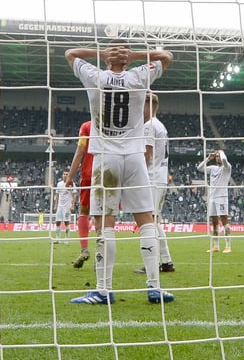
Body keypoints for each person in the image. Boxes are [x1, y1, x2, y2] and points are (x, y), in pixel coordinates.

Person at [64, 43, 175, 305]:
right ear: (125, 61)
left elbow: (70, 54)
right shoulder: (139, 76)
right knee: (147, 221)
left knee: (105, 222)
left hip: (106, 157)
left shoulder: (96, 76)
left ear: (108, 60)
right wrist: (135, 56)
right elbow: (167, 57)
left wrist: (101, 54)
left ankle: (103, 290)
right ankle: (154, 287)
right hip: (136, 156)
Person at [133, 92, 175, 274]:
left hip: (152, 178)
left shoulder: (149, 126)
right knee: (155, 220)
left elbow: (147, 154)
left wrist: (137, 176)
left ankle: (156, 261)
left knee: (149, 221)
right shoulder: (161, 126)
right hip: (161, 177)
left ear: (149, 105)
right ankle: (166, 262)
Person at [66, 120, 93, 268]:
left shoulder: (86, 126)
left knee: (84, 211)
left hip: (89, 174)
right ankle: (102, 256)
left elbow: (80, 151)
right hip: (108, 173)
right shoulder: (113, 125)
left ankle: (84, 249)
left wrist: (70, 177)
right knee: (104, 216)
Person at [197, 150, 232, 253]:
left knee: (224, 220)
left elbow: (225, 159)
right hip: (212, 197)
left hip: (222, 197)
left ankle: (228, 246)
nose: (218, 158)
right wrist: (208, 158)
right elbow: (199, 168)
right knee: (214, 222)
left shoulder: (227, 167)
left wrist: (221, 152)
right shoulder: (213, 169)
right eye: (216, 157)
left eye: (219, 156)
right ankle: (216, 246)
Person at [53, 170, 76, 244]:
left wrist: (72, 205)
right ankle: (57, 238)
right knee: (57, 222)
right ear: (62, 175)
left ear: (69, 175)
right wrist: (55, 205)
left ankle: (66, 238)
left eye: (66, 174)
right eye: (64, 174)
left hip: (67, 206)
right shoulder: (59, 184)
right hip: (60, 206)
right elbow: (57, 195)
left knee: (66, 222)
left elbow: (74, 194)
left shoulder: (71, 183)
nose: (65, 175)